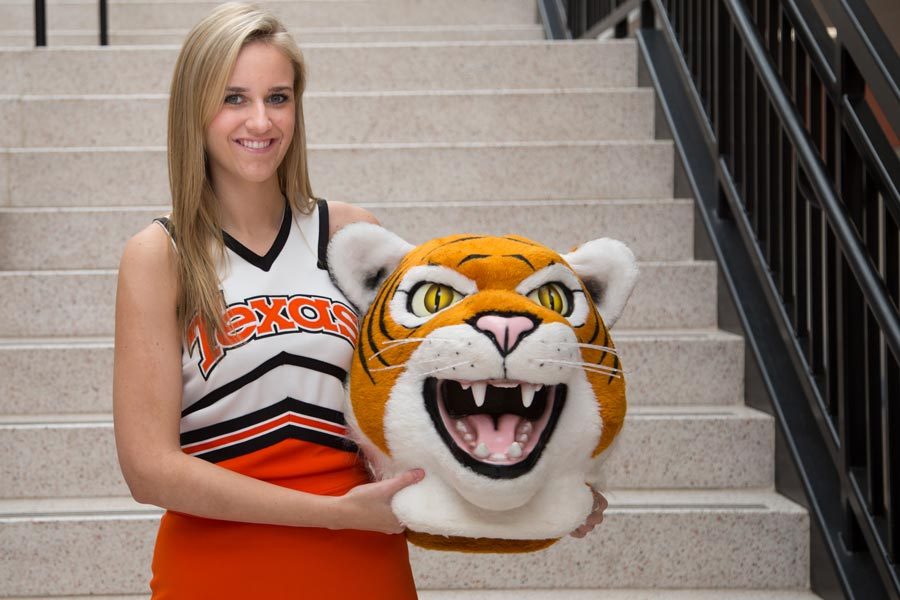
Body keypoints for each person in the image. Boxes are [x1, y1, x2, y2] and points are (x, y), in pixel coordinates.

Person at [112, 3, 606, 598]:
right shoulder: (158, 256)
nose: (261, 121)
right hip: (216, 571)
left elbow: (422, 410)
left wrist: (541, 486)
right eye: (234, 98)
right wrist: (334, 514)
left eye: (279, 97)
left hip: (360, 568)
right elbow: (149, 470)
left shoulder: (349, 237)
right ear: (195, 108)